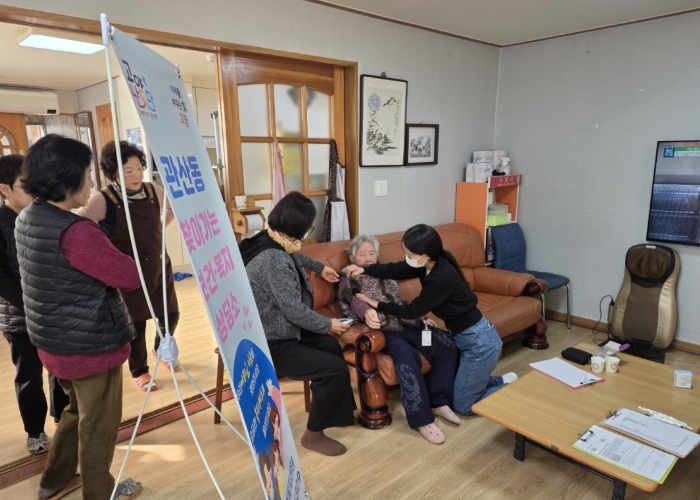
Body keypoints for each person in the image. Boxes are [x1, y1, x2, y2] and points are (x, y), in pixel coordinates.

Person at [16, 134, 142, 499]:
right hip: (90, 345)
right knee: (98, 425)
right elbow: (128, 276)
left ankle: (54, 481)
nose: (91, 183)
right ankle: (101, 492)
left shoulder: (28, 217)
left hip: (55, 342)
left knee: (75, 413)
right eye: (87, 175)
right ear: (65, 180)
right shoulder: (76, 233)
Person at [344, 224, 517, 416]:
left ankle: (511, 391)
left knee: (463, 406)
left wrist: (378, 304)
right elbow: (396, 270)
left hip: (478, 341)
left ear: (425, 254)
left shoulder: (441, 276)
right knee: (460, 386)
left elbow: (413, 311)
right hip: (467, 335)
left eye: (410, 254)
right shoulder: (426, 264)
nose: (407, 258)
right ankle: (501, 381)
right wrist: (364, 269)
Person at [239, 191, 355, 456]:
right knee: (334, 368)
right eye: (309, 227)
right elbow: (293, 310)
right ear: (297, 227)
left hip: (283, 330)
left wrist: (319, 267)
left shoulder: (270, 238)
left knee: (330, 346)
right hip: (272, 341)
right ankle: (313, 437)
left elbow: (296, 257)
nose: (308, 231)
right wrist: (328, 324)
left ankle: (335, 414)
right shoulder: (273, 259)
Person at [77, 141, 179, 392]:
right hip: (129, 271)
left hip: (158, 264)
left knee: (170, 314)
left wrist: (160, 227)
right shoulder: (104, 198)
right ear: (113, 173)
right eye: (128, 171)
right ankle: (139, 370)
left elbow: (172, 206)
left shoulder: (152, 190)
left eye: (139, 169)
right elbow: (79, 226)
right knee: (136, 323)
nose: (136, 176)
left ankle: (160, 349)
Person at [338, 235, 460, 444]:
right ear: (352, 257)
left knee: (445, 343)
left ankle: (439, 401)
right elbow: (353, 298)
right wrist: (367, 312)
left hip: (407, 322)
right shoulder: (348, 277)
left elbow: (400, 301)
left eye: (371, 253)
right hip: (384, 330)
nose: (368, 258)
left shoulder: (385, 272)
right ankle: (422, 419)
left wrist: (421, 319)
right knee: (406, 355)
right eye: (362, 254)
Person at [0, 154, 70, 455]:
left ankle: (64, 421)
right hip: (20, 315)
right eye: (26, 185)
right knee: (29, 375)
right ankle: (35, 431)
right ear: (5, 189)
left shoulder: (43, 216)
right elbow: (2, 279)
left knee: (60, 369)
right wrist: (32, 305)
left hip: (52, 310)